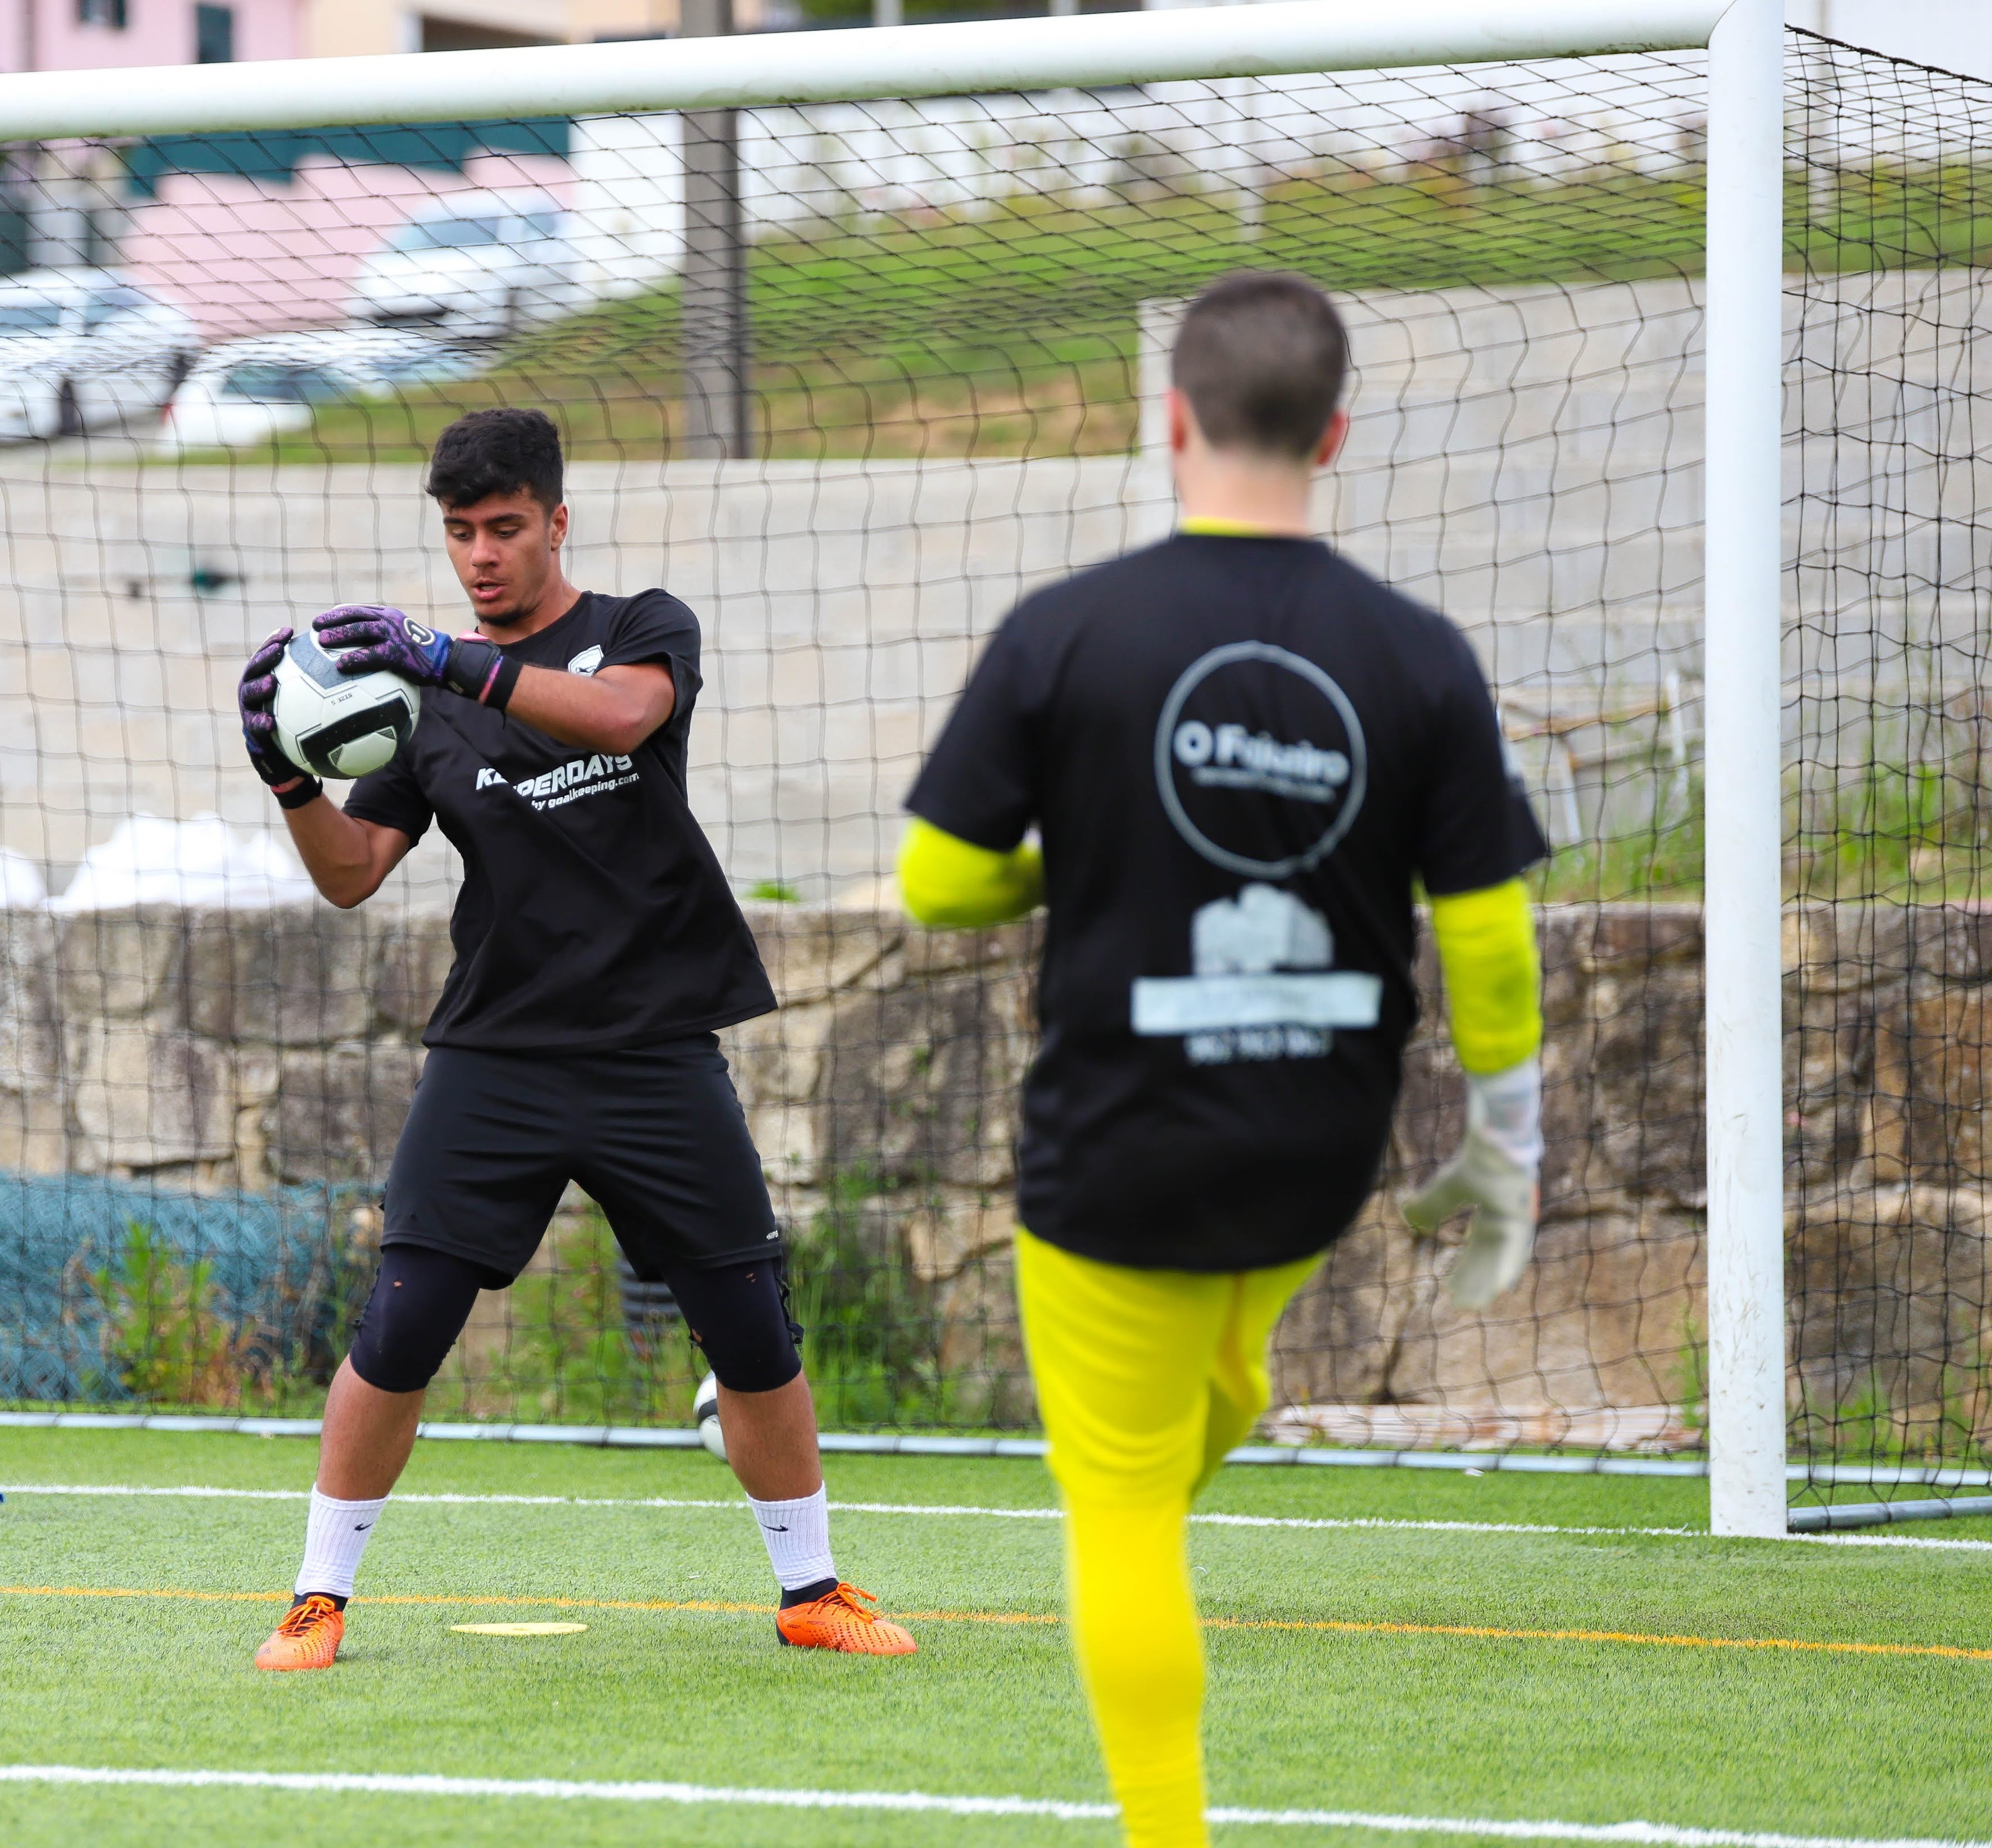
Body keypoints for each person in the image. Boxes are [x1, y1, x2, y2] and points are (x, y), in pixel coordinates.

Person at [897, 271, 1548, 1848]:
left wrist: (1088, 856)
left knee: (1118, 1516)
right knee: (1218, 1376)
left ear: (1171, 420)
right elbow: (1490, 931)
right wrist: (1510, 1145)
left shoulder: (1067, 629)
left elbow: (938, 883)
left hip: (1122, 1143)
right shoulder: (1419, 651)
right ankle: (1234, 1375)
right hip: (1317, 1150)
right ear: (1332, 431)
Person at [233, 406, 919, 1672]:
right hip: (497, 1056)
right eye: (458, 533)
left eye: (504, 528)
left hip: (656, 1045)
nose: (481, 554)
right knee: (403, 1318)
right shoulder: (421, 702)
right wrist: (285, 773)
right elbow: (349, 875)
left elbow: (616, 720)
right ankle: (317, 1599)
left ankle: (810, 1590)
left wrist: (450, 656)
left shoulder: (641, 628)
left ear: (557, 519)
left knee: (751, 1325)